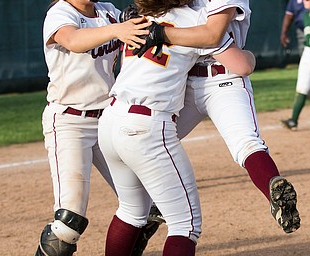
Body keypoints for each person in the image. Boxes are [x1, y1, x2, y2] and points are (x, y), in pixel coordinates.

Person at [96, 0, 258, 254]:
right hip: (146, 126)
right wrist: (249, 55)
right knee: (186, 225)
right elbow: (240, 65)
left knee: (131, 211)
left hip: (110, 121)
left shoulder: (138, 19)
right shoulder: (196, 20)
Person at [134, 0, 301, 235]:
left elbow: (212, 35)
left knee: (244, 143)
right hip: (185, 79)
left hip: (224, 76)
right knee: (150, 139)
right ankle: (148, 209)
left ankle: (274, 187)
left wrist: (160, 30)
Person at [34, 0, 153, 255]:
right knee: (69, 221)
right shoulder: (60, 13)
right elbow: (74, 40)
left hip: (109, 119)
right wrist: (117, 30)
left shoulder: (108, 11)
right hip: (70, 122)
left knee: (149, 205)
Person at [281, 0, 310, 130]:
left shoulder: (306, 15)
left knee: (303, 84)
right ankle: (293, 119)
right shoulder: (305, 15)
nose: (306, 2)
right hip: (307, 51)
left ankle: (293, 120)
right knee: (303, 85)